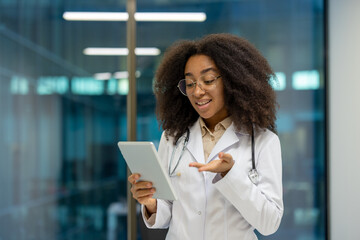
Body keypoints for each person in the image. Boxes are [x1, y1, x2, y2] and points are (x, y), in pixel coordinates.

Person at [128, 33, 283, 240]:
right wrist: (150, 203)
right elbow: (167, 213)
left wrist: (230, 174)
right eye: (190, 84)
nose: (197, 91)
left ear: (232, 81)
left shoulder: (263, 141)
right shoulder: (173, 138)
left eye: (208, 80)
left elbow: (269, 223)